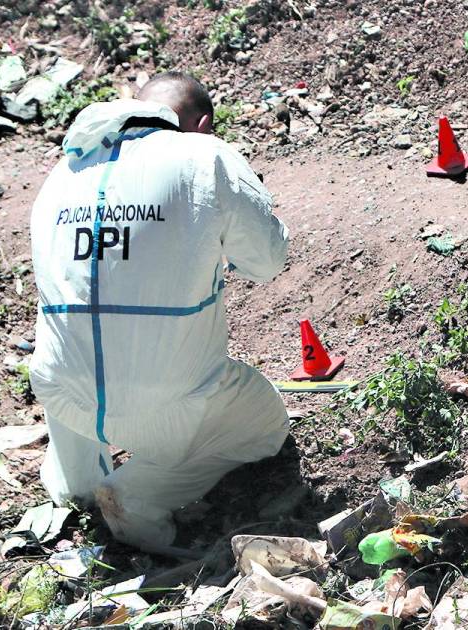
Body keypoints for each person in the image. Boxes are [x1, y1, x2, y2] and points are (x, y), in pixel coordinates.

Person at [28, 72, 290, 551]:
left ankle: (77, 483)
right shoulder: (204, 156)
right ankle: (139, 495)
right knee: (266, 424)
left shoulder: (65, 170)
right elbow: (267, 261)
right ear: (204, 124)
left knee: (72, 338)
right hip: (167, 402)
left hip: (62, 395)